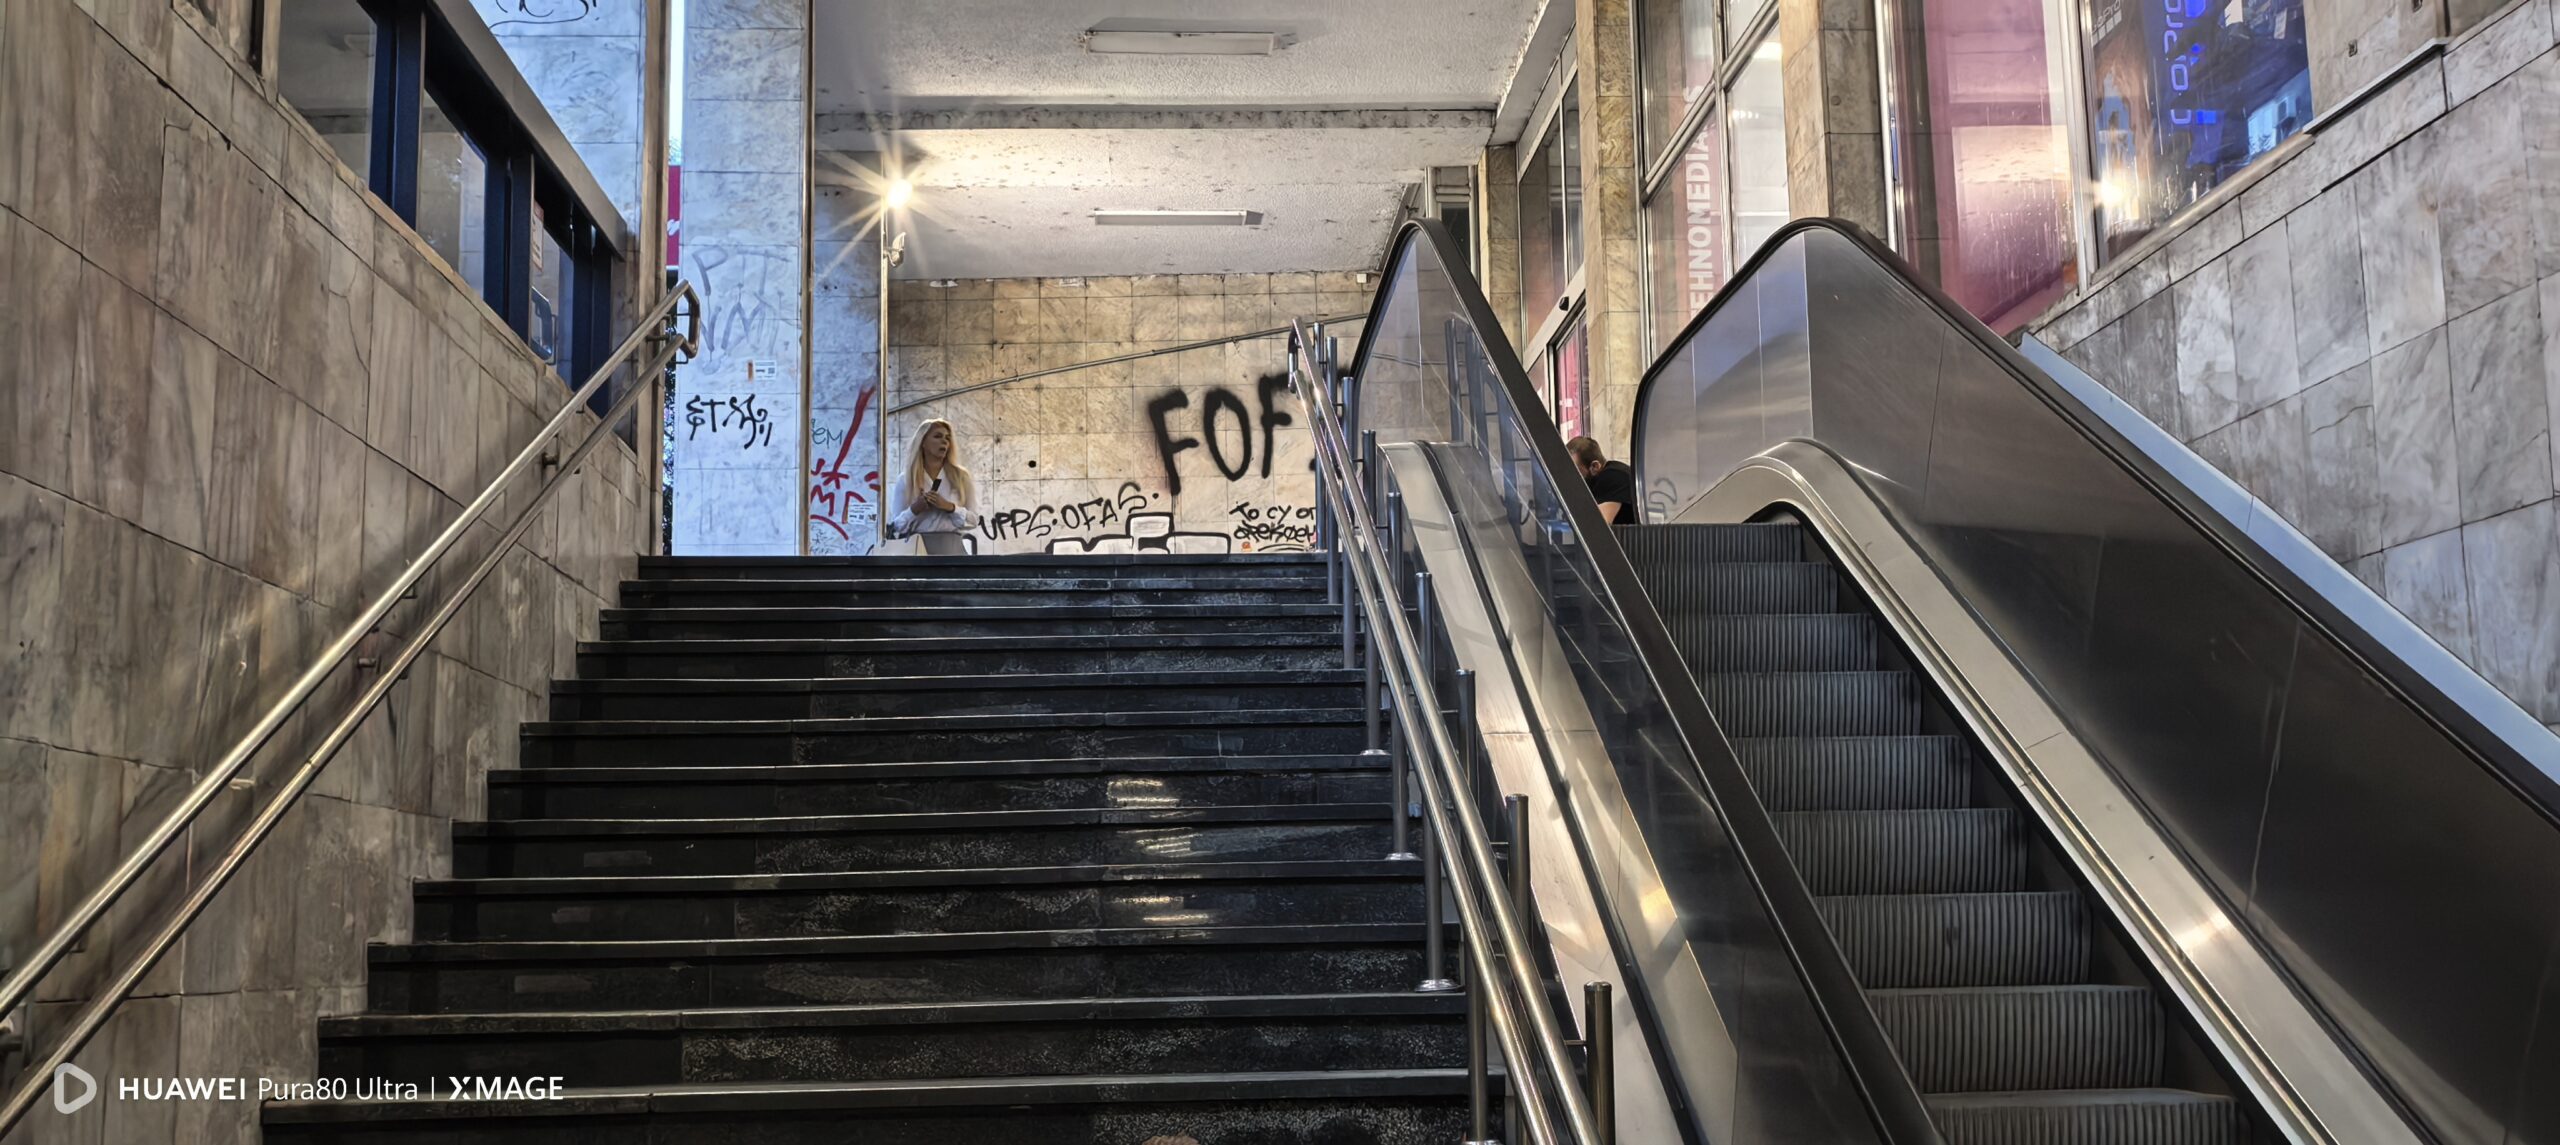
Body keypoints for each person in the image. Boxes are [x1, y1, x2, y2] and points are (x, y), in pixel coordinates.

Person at [887, 419, 978, 555]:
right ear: (923, 442)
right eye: (937, 436)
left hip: (952, 550)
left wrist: (950, 507)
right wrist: (914, 510)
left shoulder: (961, 477)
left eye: (947, 438)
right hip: (916, 550)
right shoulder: (906, 479)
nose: (944, 441)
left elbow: (974, 520)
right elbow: (896, 526)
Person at [1566, 436, 1634, 524]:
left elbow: (1599, 524)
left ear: (1595, 466)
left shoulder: (1612, 476)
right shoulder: (1608, 474)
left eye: (1576, 471)